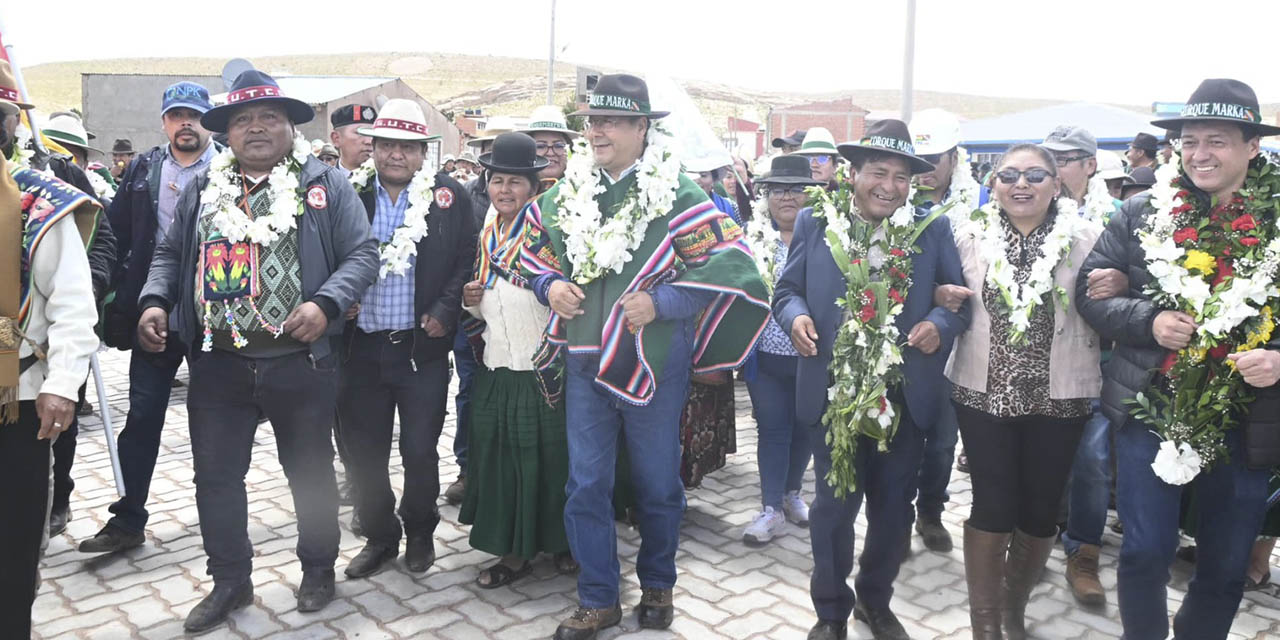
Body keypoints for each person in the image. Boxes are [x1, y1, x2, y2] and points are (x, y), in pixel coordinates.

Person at [521, 73, 769, 640]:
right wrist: (548, 288)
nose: (596, 130)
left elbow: (733, 265)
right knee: (585, 483)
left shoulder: (678, 192)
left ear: (641, 128)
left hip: (656, 362)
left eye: (610, 120)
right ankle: (598, 597)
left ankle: (658, 582)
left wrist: (662, 301)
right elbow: (528, 252)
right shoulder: (566, 191)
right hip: (585, 360)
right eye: (591, 120)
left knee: (659, 482)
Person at [136, 69, 379, 633]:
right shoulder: (203, 186)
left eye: (269, 116)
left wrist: (325, 303)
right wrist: (154, 301)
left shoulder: (326, 184)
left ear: (290, 124)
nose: (256, 128)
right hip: (219, 361)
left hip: (300, 361)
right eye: (243, 119)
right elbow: (169, 254)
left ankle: (318, 569)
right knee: (215, 478)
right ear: (228, 132)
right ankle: (229, 581)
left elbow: (362, 255)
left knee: (310, 472)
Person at [1076, 78, 1277, 640]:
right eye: (1190, 141)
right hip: (1151, 408)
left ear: (1252, 147)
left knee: (1226, 563)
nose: (1200, 154)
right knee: (1143, 549)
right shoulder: (1142, 212)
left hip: (1245, 418)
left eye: (1217, 141)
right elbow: (1088, 295)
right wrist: (1148, 320)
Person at [774, 119, 968, 640]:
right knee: (833, 509)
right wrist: (795, 317)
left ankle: (874, 602)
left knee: (892, 513)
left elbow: (958, 304)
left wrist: (939, 324)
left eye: (902, 177)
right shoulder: (817, 221)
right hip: (833, 394)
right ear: (852, 173)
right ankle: (831, 612)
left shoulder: (932, 228)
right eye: (878, 172)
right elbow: (786, 289)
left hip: (903, 397)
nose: (890, 186)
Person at [943, 143, 1104, 639]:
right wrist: (938, 295)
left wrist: (1116, 285)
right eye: (1009, 175)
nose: (1021, 185)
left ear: (1058, 186)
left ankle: (1014, 607)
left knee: (1039, 510)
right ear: (993, 184)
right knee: (992, 504)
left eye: (1036, 175)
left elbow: (1112, 301)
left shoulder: (1087, 238)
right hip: (983, 391)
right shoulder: (965, 234)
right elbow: (933, 284)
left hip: (1060, 396)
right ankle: (986, 623)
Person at [79, 81, 221, 555]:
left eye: (195, 116)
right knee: (141, 417)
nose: (186, 124)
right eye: (177, 115)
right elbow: (116, 232)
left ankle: (220, 516)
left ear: (208, 122)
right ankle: (126, 519)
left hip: (213, 319)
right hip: (153, 314)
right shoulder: (143, 169)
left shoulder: (229, 168)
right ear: (163, 122)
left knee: (214, 421)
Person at [338, 99, 475, 579]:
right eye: (388, 145)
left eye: (408, 147)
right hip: (361, 349)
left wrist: (445, 309)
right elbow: (325, 255)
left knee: (420, 449)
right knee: (364, 452)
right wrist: (337, 301)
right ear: (373, 148)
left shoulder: (449, 197)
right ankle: (379, 538)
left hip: (422, 351)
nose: (397, 155)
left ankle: (420, 533)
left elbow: (468, 258)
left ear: (423, 153)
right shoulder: (349, 194)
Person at [0, 70, 101, 636]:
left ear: (10, 126)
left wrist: (63, 381)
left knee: (11, 542)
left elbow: (71, 300)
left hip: (15, 393)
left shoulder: (39, 200)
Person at [457, 131, 577, 587]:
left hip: (541, 370)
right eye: (497, 181)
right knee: (506, 463)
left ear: (533, 187)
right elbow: (487, 302)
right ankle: (514, 551)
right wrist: (471, 299)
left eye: (515, 182)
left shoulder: (550, 233)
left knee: (553, 461)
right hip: (499, 366)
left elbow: (565, 298)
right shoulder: (488, 235)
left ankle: (563, 542)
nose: (504, 190)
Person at [905, 108, 985, 554]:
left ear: (954, 158)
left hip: (964, 343)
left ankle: (930, 510)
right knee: (897, 435)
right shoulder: (894, 204)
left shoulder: (983, 205)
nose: (926, 169)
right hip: (911, 337)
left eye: (935, 157)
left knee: (941, 439)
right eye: (919, 158)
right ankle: (893, 515)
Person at [740, 155, 819, 545]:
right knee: (773, 429)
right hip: (765, 357)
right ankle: (770, 508)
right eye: (778, 189)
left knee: (805, 425)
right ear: (766, 196)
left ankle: (791, 494)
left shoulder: (827, 236)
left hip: (811, 355)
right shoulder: (747, 237)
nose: (787, 197)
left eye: (797, 188)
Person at [520, 104, 577, 187]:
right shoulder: (517, 192)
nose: (550, 153)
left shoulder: (583, 190)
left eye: (558, 146)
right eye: (540, 146)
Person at [329, 103, 376, 178]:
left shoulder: (388, 182)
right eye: (360, 133)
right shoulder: (323, 182)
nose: (369, 141)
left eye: (372, 134)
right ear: (336, 138)